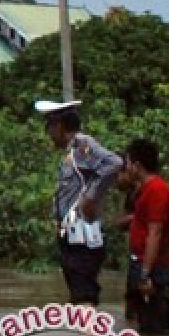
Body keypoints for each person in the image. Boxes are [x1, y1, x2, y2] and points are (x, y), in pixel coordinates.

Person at [35, 99, 122, 306]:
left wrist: (91, 197)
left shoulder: (82, 144)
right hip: (72, 236)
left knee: (84, 297)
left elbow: (114, 163)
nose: (48, 133)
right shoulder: (72, 152)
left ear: (59, 125)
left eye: (49, 126)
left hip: (82, 236)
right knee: (78, 295)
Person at [121, 139, 169, 333]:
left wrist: (145, 274)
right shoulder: (145, 190)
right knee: (141, 323)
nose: (125, 167)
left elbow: (155, 234)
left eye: (127, 162)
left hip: (153, 267)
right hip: (144, 262)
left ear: (137, 166)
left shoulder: (156, 190)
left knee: (155, 328)